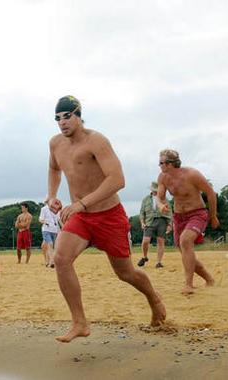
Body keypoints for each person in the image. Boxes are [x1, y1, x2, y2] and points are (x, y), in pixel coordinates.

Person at [47, 95, 165, 343]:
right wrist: (52, 196)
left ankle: (153, 298)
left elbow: (117, 180)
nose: (62, 122)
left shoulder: (96, 141)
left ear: (79, 116)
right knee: (61, 258)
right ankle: (79, 323)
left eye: (67, 116)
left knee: (126, 273)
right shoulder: (55, 144)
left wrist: (81, 203)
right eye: (57, 118)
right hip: (81, 217)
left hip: (109, 216)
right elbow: (54, 169)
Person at [156, 149, 217, 294]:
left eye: (161, 163)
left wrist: (213, 216)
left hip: (197, 214)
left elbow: (210, 193)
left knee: (185, 241)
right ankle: (209, 279)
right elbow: (160, 197)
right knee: (185, 252)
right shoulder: (163, 177)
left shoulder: (192, 174)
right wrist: (161, 205)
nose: (159, 165)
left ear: (170, 164)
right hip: (178, 217)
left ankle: (188, 285)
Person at [138, 181, 172, 269]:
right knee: (145, 241)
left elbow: (170, 212)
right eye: (154, 190)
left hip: (162, 220)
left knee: (160, 241)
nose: (155, 191)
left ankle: (159, 262)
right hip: (149, 222)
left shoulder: (164, 199)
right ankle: (144, 257)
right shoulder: (146, 199)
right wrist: (142, 222)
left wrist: (170, 224)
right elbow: (142, 212)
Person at [39, 199, 62, 268]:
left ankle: (48, 261)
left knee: (48, 246)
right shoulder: (44, 209)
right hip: (46, 230)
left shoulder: (56, 209)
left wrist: (64, 227)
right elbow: (40, 219)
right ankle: (51, 262)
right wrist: (45, 222)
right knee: (50, 244)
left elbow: (59, 220)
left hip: (55, 230)